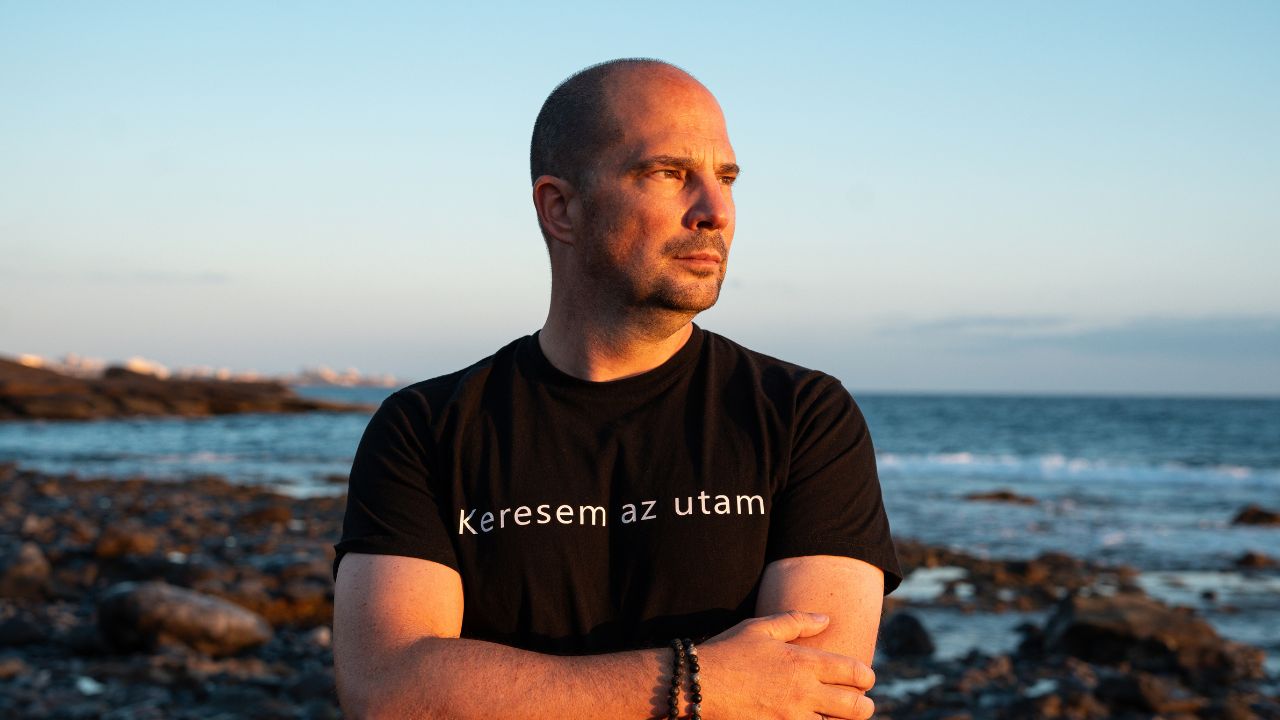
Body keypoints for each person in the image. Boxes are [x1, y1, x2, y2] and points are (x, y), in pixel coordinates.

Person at [332, 58, 901, 720]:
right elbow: (389, 691)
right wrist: (700, 683)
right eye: (669, 174)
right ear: (561, 208)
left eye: (726, 179)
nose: (716, 211)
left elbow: (813, 698)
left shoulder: (802, 415)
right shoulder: (426, 427)